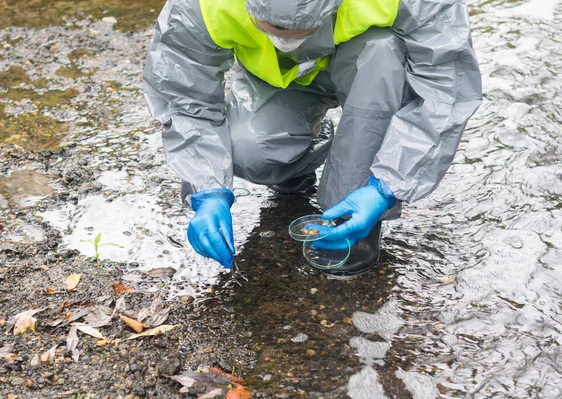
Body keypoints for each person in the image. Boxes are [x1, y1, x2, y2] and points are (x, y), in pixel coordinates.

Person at [143, 0, 482, 278]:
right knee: (250, 150)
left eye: (302, 31)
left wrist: (387, 186)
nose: (288, 39)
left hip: (373, 73)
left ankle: (354, 209)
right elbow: (182, 95)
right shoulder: (199, 6)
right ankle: (304, 148)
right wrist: (207, 189)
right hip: (283, 81)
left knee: (381, 52)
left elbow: (446, 88)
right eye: (274, 30)